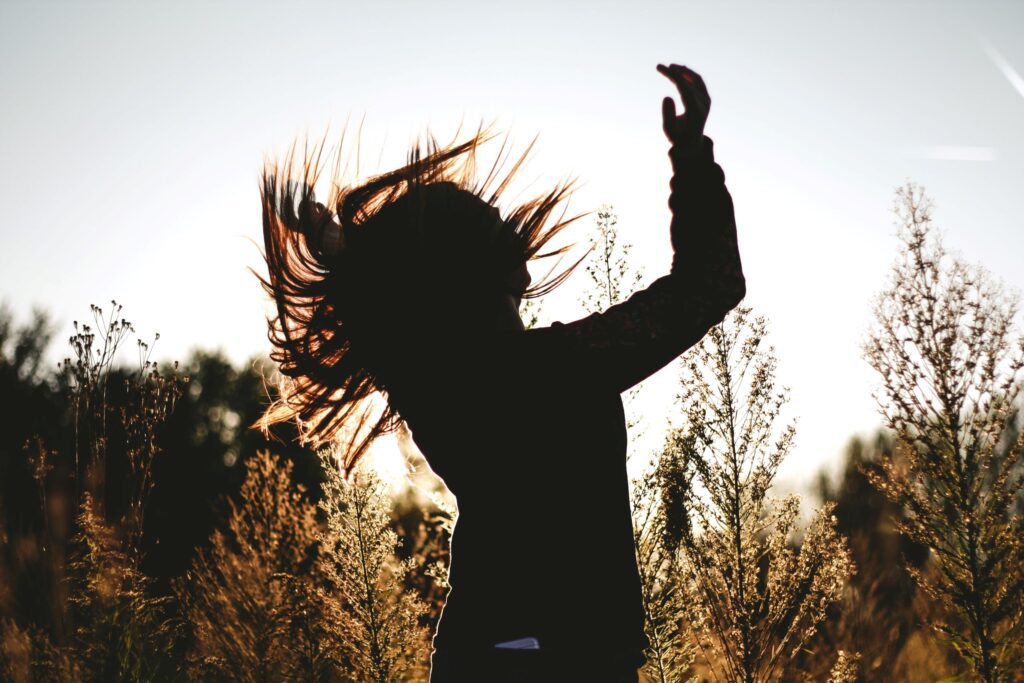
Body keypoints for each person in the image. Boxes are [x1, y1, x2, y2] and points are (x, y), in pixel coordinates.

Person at [258, 63, 745, 682]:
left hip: (485, 654)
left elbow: (392, 304)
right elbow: (710, 283)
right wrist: (691, 151)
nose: (505, 218)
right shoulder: (556, 370)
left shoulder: (430, 376)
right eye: (488, 220)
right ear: (470, 272)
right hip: (559, 661)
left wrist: (339, 247)